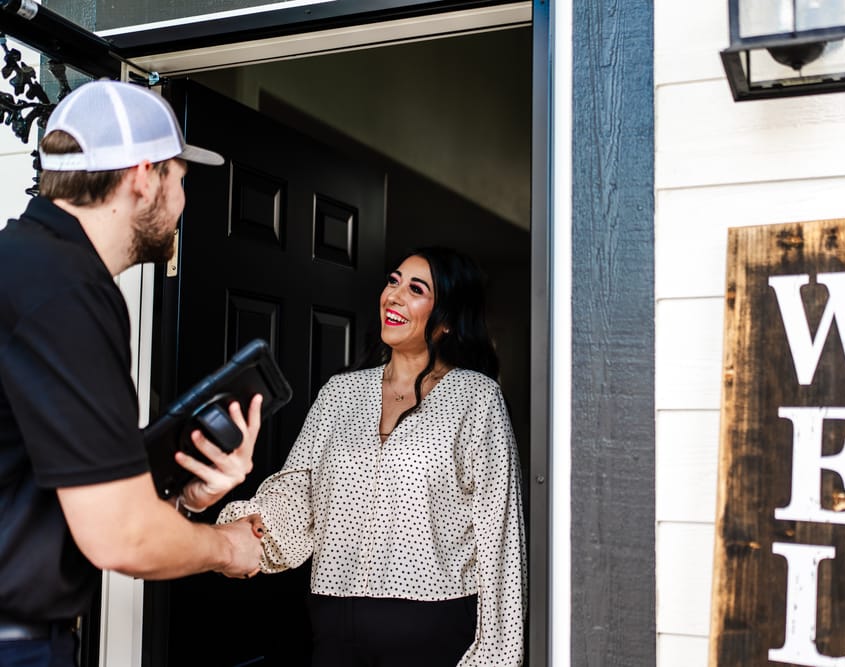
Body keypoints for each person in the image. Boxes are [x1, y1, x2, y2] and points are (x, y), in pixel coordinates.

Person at [0, 80, 265, 667]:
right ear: (144, 176)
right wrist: (229, 547)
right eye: (182, 179)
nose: (183, 203)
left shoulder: (27, 265)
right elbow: (121, 535)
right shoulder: (64, 291)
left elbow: (44, 486)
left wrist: (183, 497)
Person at [218, 246, 526, 666]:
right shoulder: (339, 393)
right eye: (392, 281)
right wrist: (247, 531)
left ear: (449, 320)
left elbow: (500, 535)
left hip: (435, 627)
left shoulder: (476, 397)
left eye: (415, 289)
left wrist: (496, 654)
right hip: (335, 623)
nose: (393, 296)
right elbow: (298, 493)